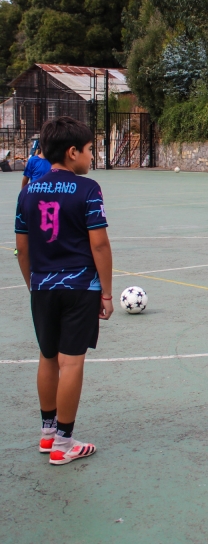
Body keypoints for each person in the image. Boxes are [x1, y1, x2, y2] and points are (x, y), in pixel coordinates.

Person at [15, 116, 114, 465]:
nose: (92, 156)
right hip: (79, 286)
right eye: (90, 150)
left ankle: (46, 434)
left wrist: (33, 285)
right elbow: (99, 245)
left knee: (47, 357)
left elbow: (22, 248)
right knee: (71, 362)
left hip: (42, 286)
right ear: (73, 153)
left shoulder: (27, 191)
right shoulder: (88, 190)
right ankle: (64, 443)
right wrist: (105, 291)